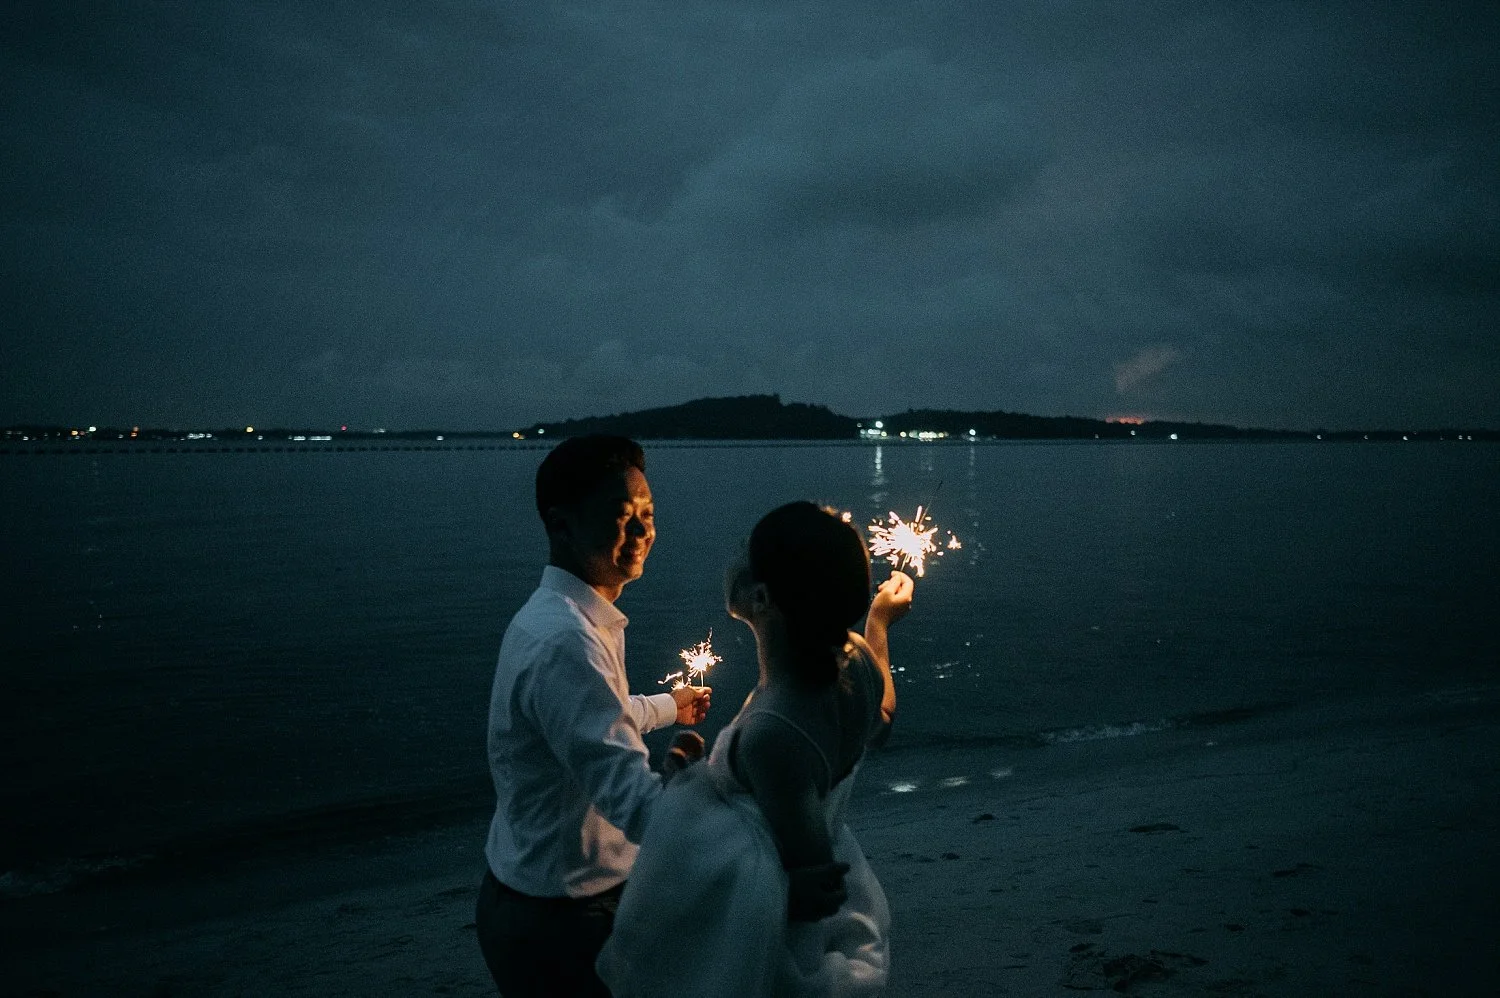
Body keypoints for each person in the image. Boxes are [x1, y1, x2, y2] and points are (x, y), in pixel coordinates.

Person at [597, 501, 914, 997]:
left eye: (748, 552)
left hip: (766, 956)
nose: (735, 559)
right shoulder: (852, 661)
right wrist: (878, 627)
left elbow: (811, 887)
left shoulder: (772, 733)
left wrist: (693, 799)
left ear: (762, 597)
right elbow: (882, 721)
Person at [475, 434, 711, 998]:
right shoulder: (568, 643)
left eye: (647, 514)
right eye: (619, 516)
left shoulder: (560, 617)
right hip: (562, 916)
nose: (641, 532)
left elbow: (587, 722)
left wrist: (667, 707)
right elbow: (640, 807)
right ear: (561, 525)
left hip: (530, 887)